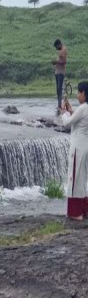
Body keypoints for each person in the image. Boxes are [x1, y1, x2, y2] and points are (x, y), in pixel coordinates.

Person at [61, 82, 88, 220]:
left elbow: (67, 123)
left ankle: (75, 213)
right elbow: (78, 120)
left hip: (77, 147)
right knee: (82, 179)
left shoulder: (83, 108)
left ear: (84, 93)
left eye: (79, 93)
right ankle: (84, 210)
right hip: (85, 147)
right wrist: (71, 111)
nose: (78, 95)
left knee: (74, 179)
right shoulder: (85, 108)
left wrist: (64, 112)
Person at [53, 39, 68, 113]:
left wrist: (56, 61)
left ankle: (60, 105)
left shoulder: (64, 50)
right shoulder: (60, 50)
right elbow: (60, 59)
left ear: (59, 44)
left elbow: (64, 61)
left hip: (61, 72)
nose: (56, 48)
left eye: (56, 46)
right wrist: (55, 62)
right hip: (57, 72)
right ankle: (59, 104)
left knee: (59, 88)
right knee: (58, 89)